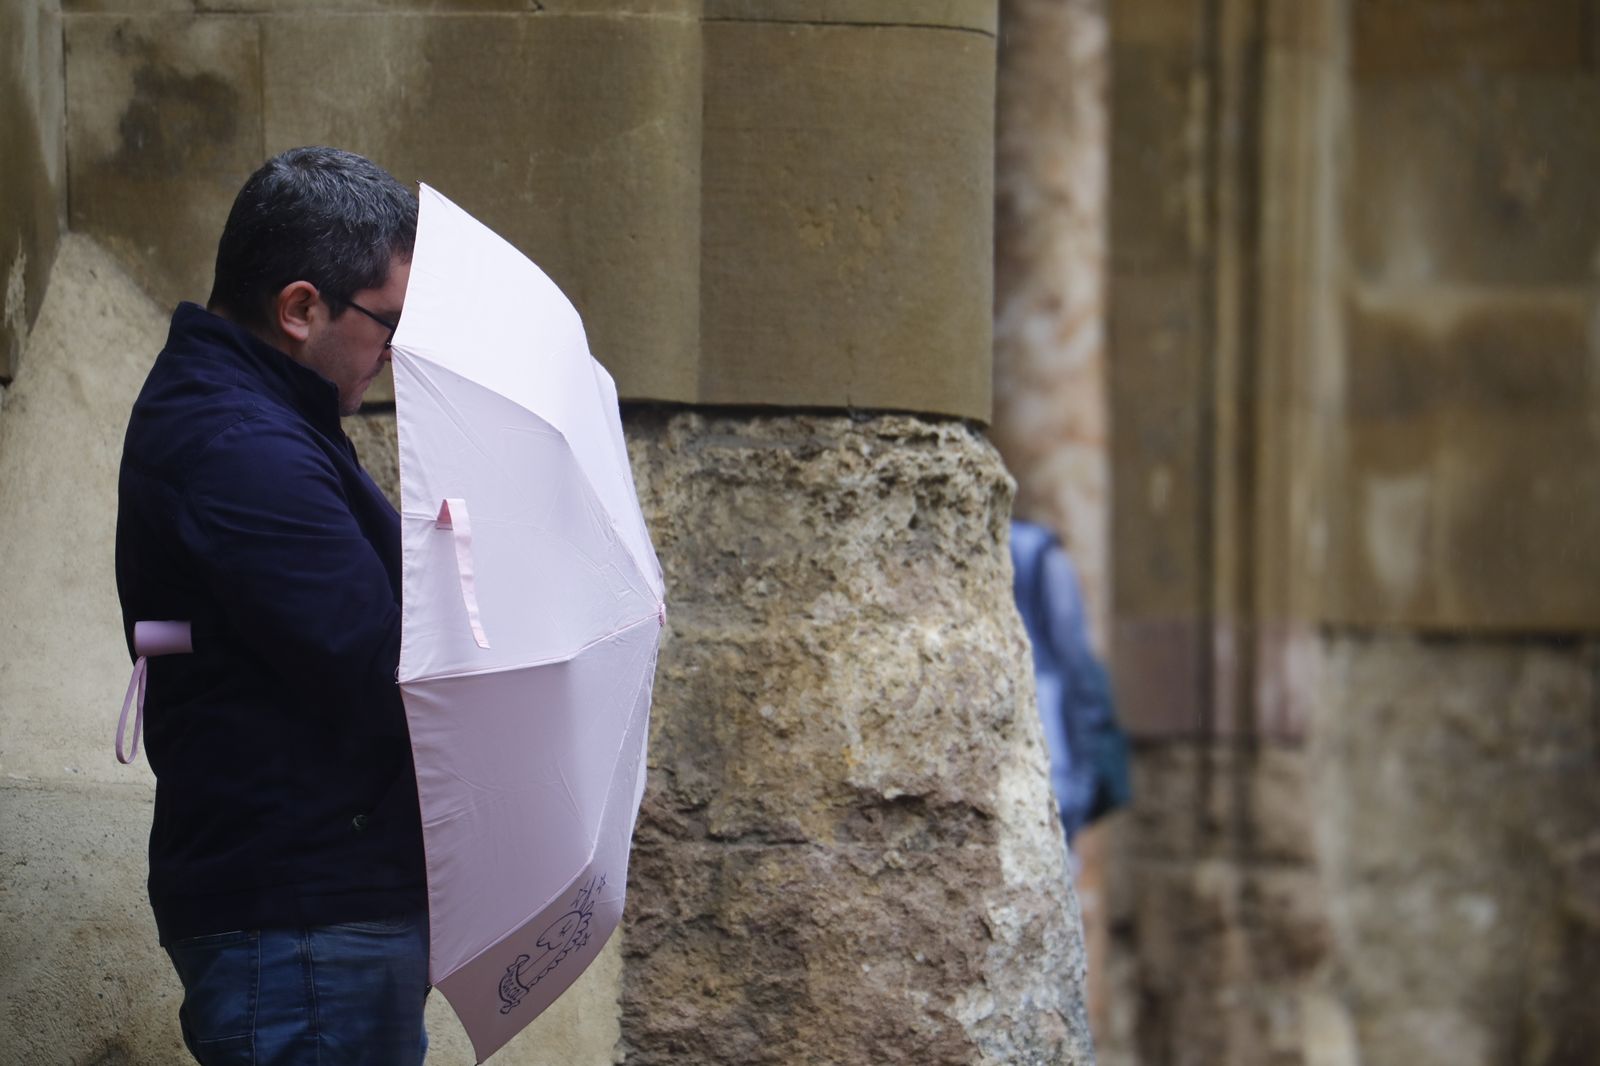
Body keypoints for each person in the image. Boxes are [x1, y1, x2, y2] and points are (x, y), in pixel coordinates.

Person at [115, 147, 429, 1065]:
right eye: (387, 323)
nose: (394, 352)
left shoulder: (262, 416)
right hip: (301, 929)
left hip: (313, 917)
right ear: (299, 309)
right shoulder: (242, 443)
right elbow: (383, 664)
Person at [1009, 519, 1131, 846]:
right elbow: (1076, 657)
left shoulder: (1033, 550)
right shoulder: (1037, 549)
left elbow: (1073, 656)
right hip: (1047, 734)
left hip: (1044, 726)